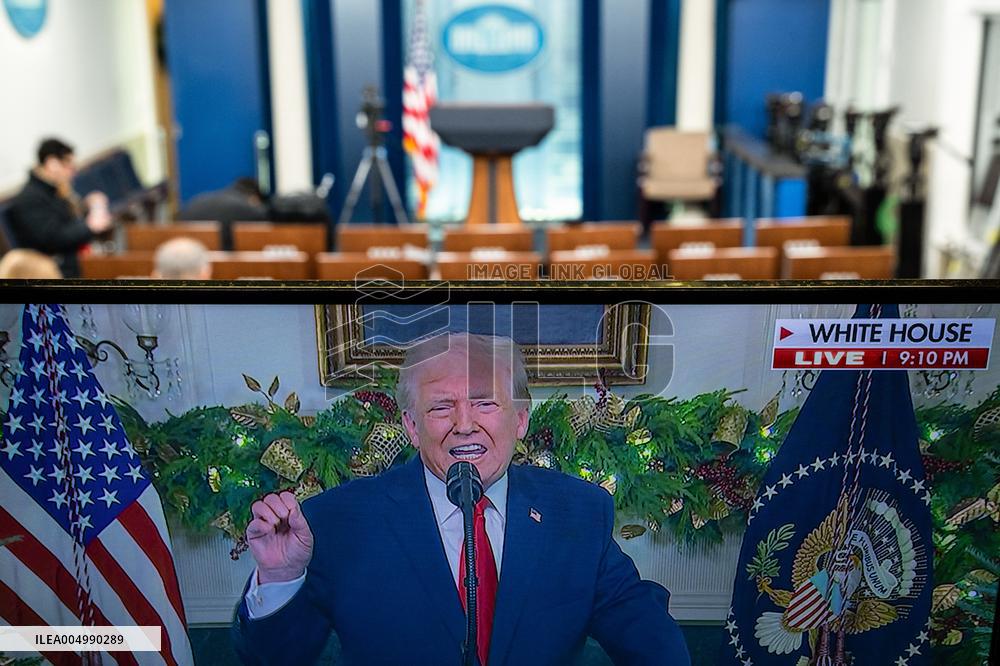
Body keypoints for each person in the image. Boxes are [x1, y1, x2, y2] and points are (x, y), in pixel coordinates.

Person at [232, 333, 690, 665]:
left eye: (486, 403)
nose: (465, 423)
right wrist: (280, 578)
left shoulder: (578, 511)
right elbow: (275, 659)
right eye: (440, 407)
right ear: (411, 427)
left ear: (521, 421)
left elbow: (642, 629)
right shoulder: (337, 520)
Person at [5, 138, 113, 278]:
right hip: (52, 269)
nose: (72, 172)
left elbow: (68, 218)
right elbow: (53, 239)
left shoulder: (53, 188)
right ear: (52, 164)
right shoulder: (29, 199)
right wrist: (89, 226)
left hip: (69, 259)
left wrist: (86, 205)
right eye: (69, 166)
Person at [177, 177, 269, 250]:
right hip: (225, 265)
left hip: (187, 257)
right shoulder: (246, 207)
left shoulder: (197, 200)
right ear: (254, 197)